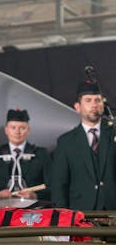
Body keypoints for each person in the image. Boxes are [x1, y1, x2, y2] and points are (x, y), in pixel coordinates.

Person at [50, 80, 116, 210]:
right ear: (77, 106)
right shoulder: (66, 142)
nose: (94, 105)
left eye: (98, 100)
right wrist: (64, 218)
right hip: (81, 214)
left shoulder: (113, 134)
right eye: (88, 100)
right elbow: (59, 185)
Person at [0, 109, 51, 202]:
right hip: (1, 209)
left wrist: (35, 195)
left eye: (22, 128)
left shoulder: (40, 154)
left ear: (28, 130)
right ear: (6, 130)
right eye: (13, 127)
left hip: (33, 209)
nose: (17, 132)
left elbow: (53, 186)